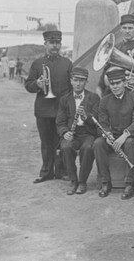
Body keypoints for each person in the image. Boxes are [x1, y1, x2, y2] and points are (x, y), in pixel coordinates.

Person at [25, 30, 72, 184]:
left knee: (61, 142)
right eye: (51, 43)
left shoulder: (67, 63)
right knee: (46, 143)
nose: (55, 46)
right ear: (45, 44)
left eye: (57, 43)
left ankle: (61, 171)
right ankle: (46, 172)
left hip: (61, 110)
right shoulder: (38, 63)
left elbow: (72, 88)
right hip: (43, 110)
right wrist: (37, 84)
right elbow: (28, 85)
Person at [94, 68, 134, 199]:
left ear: (125, 82)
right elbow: (102, 123)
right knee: (98, 143)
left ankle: (129, 184)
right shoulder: (104, 101)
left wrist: (125, 135)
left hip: (130, 135)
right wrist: (107, 135)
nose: (115, 86)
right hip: (112, 136)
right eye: (112, 84)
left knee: (129, 143)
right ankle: (105, 182)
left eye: (118, 83)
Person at [56, 67, 100, 195]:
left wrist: (86, 117)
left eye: (82, 80)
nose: (78, 83)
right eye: (75, 80)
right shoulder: (64, 99)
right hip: (72, 133)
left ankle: (82, 181)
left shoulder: (94, 98)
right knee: (66, 147)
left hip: (88, 133)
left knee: (88, 148)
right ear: (71, 81)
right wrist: (65, 132)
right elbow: (60, 121)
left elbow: (98, 119)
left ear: (86, 82)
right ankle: (73, 180)